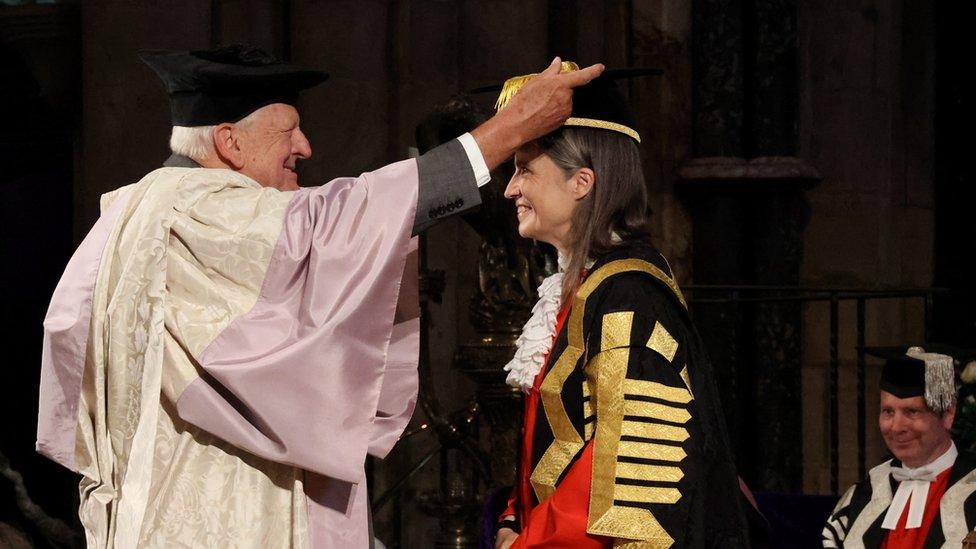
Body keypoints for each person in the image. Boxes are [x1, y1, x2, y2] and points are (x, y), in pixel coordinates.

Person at [35, 45, 604, 548]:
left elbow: (64, 337)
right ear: (229, 142)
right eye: (289, 131)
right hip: (226, 515)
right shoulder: (203, 210)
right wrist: (508, 129)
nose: (306, 148)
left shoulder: (122, 219)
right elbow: (347, 222)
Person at [491, 63, 750, 548]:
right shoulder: (585, 288)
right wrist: (512, 519)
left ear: (582, 182)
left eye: (525, 169)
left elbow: (627, 484)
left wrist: (529, 543)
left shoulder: (629, 295)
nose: (511, 189)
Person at [823, 346, 976, 548]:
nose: (896, 427)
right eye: (888, 411)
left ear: (947, 414)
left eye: (911, 412)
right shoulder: (862, 496)